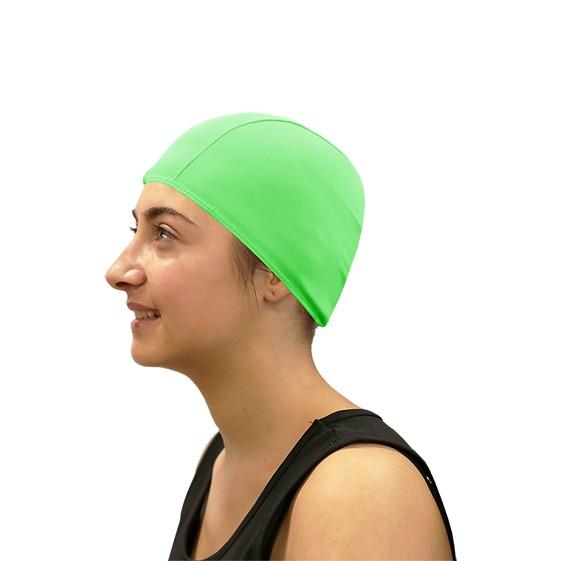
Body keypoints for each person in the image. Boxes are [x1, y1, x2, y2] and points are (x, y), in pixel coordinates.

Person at [105, 112, 456, 560]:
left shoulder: (358, 490)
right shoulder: (220, 460)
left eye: (164, 234)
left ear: (276, 273)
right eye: (136, 230)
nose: (118, 271)